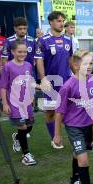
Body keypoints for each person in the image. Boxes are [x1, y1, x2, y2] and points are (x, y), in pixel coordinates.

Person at [54, 50, 93, 184]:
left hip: (90, 126)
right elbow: (59, 112)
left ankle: (74, 181)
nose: (90, 66)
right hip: (74, 127)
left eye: (91, 63)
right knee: (83, 160)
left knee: (78, 154)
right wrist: (57, 134)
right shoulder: (68, 86)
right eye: (86, 63)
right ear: (75, 65)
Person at [35, 11, 73, 149]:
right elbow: (39, 60)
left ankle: (74, 135)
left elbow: (71, 60)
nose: (61, 23)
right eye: (58, 21)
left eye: (63, 21)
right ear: (51, 22)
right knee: (51, 112)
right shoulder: (43, 40)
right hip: (50, 82)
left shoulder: (68, 40)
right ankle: (54, 138)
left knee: (69, 110)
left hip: (67, 81)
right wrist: (43, 79)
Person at [1, 41, 36, 165]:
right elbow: (3, 87)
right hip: (15, 103)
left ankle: (17, 137)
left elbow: (30, 82)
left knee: (29, 126)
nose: (22, 54)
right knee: (23, 126)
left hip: (27, 102)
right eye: (19, 52)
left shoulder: (28, 65)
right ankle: (26, 155)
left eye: (25, 52)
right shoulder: (8, 66)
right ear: (13, 52)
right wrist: (5, 104)